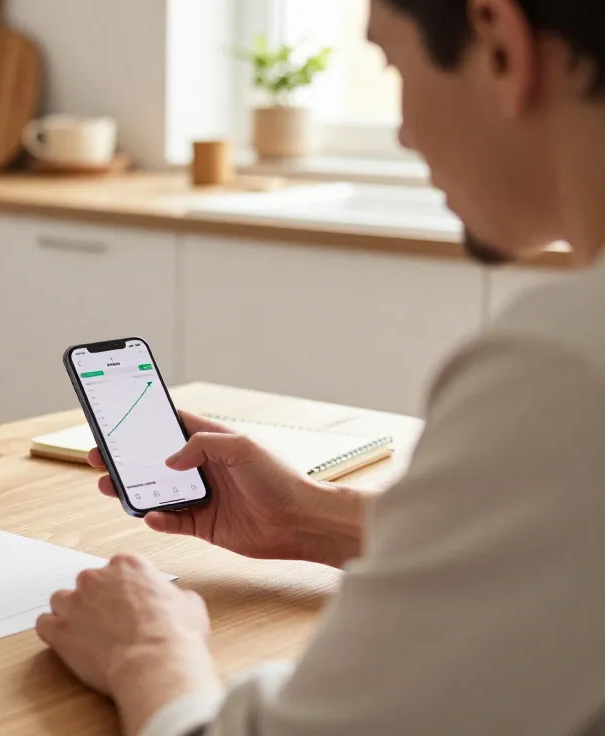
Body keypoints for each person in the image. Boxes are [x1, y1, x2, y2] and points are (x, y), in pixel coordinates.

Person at [37, 0, 605, 733]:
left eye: (394, 65)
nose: (402, 132)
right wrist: (306, 518)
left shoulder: (565, 367)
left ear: (500, 47)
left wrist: (146, 650)